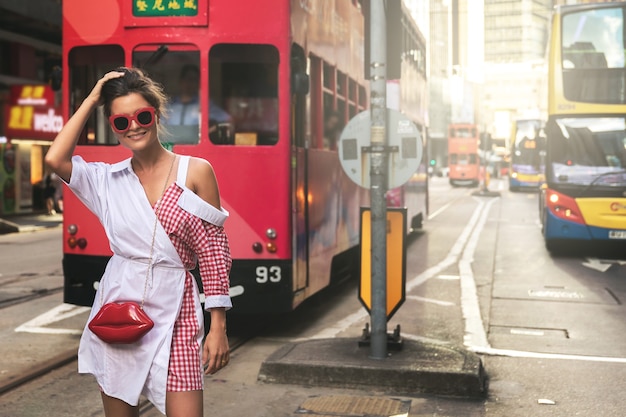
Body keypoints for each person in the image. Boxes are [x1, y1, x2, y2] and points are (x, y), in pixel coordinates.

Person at [45, 67, 232, 417]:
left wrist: (217, 325)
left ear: (156, 115)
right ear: (113, 127)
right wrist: (92, 98)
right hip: (119, 315)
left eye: (142, 115)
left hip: (178, 315)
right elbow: (55, 158)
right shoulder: (107, 180)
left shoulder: (195, 171)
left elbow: (213, 253)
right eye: (121, 122)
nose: (133, 126)